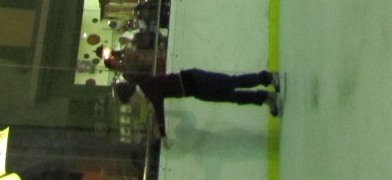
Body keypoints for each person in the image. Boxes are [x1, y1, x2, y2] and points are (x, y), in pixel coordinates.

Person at [116, 69, 282, 141]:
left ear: (131, 94)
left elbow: (158, 106)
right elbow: (153, 106)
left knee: (232, 82)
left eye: (129, 101)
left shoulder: (147, 87)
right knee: (231, 97)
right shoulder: (146, 94)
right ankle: (265, 97)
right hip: (195, 90)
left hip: (196, 79)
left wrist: (163, 133)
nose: (132, 104)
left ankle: (268, 78)